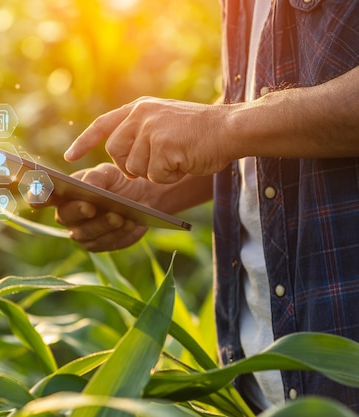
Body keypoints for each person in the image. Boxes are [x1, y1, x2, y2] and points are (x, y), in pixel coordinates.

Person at [53, 0, 359, 412]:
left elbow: (239, 122)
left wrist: (223, 126)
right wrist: (150, 190)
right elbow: (259, 99)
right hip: (255, 383)